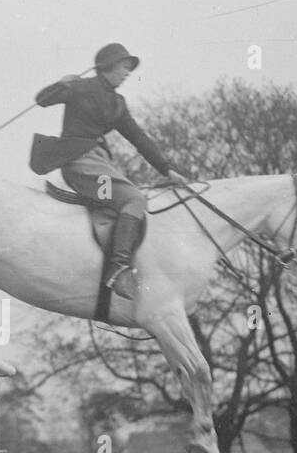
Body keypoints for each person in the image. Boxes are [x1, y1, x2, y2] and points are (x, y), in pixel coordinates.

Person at [33, 43, 188, 299]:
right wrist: (62, 85)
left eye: (129, 69)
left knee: (131, 199)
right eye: (123, 67)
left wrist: (166, 168)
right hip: (80, 164)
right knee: (135, 199)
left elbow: (138, 137)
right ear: (107, 67)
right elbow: (42, 100)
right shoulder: (80, 87)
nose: (127, 73)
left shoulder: (118, 103)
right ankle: (118, 268)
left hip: (100, 163)